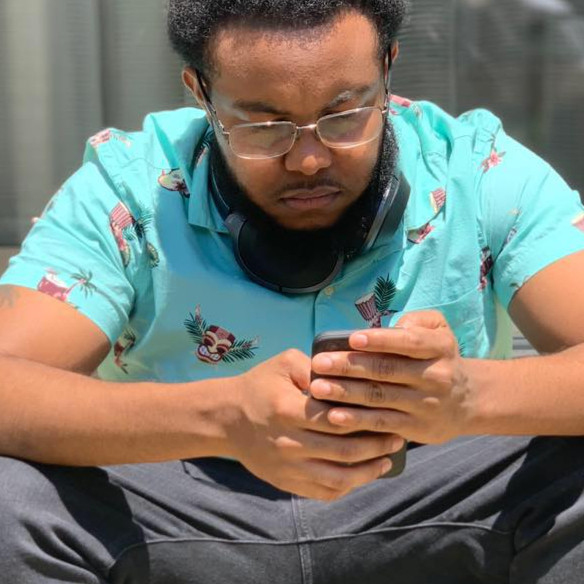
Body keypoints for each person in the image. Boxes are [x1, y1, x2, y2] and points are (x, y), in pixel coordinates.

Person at [1, 0, 584, 582]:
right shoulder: (128, 186)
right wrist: (223, 417)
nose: (308, 159)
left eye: (344, 114)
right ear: (200, 92)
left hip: (437, 495)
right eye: (263, 126)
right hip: (179, 506)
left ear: (388, 67)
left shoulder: (477, 169)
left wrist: (467, 395)